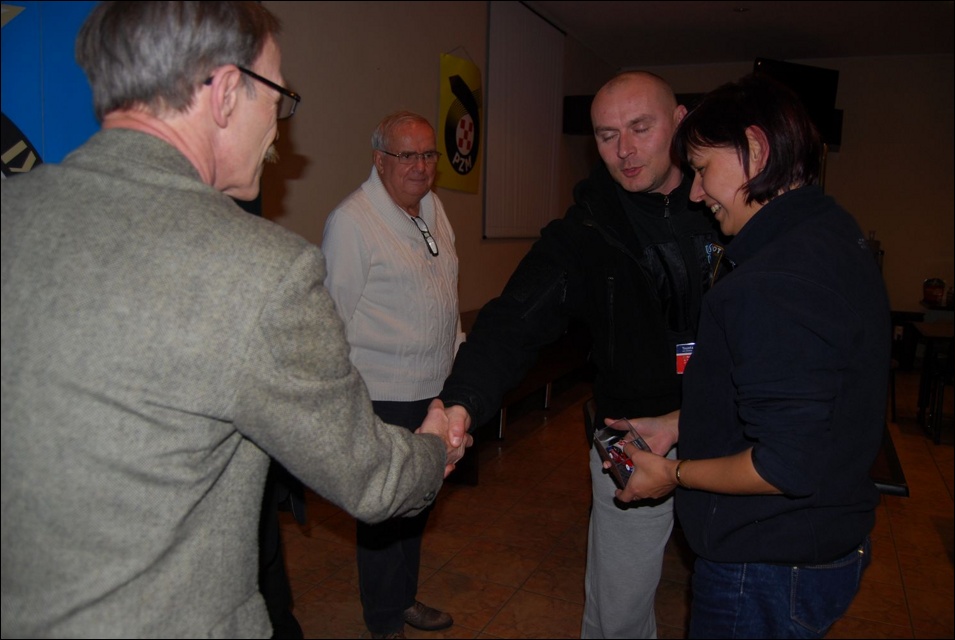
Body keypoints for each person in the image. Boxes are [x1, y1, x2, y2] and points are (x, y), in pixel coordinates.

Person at [0, 3, 469, 638]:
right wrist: (436, 446)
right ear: (224, 92)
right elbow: (371, 478)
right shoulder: (263, 270)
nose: (278, 132)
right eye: (278, 99)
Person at [440, 71, 725, 638]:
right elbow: (514, 316)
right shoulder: (587, 228)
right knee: (618, 613)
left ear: (680, 121)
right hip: (629, 436)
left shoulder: (728, 207)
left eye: (640, 127)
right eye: (606, 135)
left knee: (734, 600)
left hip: (727, 429)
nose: (624, 150)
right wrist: (460, 401)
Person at [614, 74, 890, 638]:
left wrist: (672, 474)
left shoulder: (775, 279)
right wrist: (680, 424)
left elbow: (785, 463)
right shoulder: (830, 232)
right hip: (817, 544)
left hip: (767, 564)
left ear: (756, 150)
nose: (696, 193)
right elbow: (804, 398)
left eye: (702, 169)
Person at [322, 111, 463, 639]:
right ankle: (384, 623)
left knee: (418, 504)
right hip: (381, 395)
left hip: (433, 392)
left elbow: (445, 294)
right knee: (383, 515)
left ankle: (402, 599)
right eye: (407, 155)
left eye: (428, 154)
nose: (420, 166)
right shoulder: (352, 222)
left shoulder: (434, 208)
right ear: (379, 160)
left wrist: (458, 362)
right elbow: (330, 316)